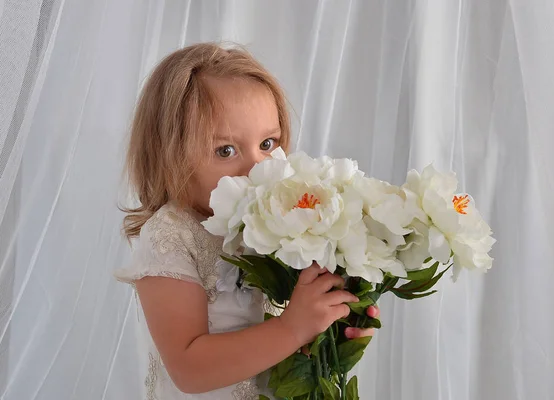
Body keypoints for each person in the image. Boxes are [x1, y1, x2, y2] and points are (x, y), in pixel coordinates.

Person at [114, 42, 380, 399]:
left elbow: (288, 337)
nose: (259, 166)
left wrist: (333, 326)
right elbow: (189, 370)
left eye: (268, 144)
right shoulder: (171, 235)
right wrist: (293, 328)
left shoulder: (277, 224)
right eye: (226, 150)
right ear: (170, 155)